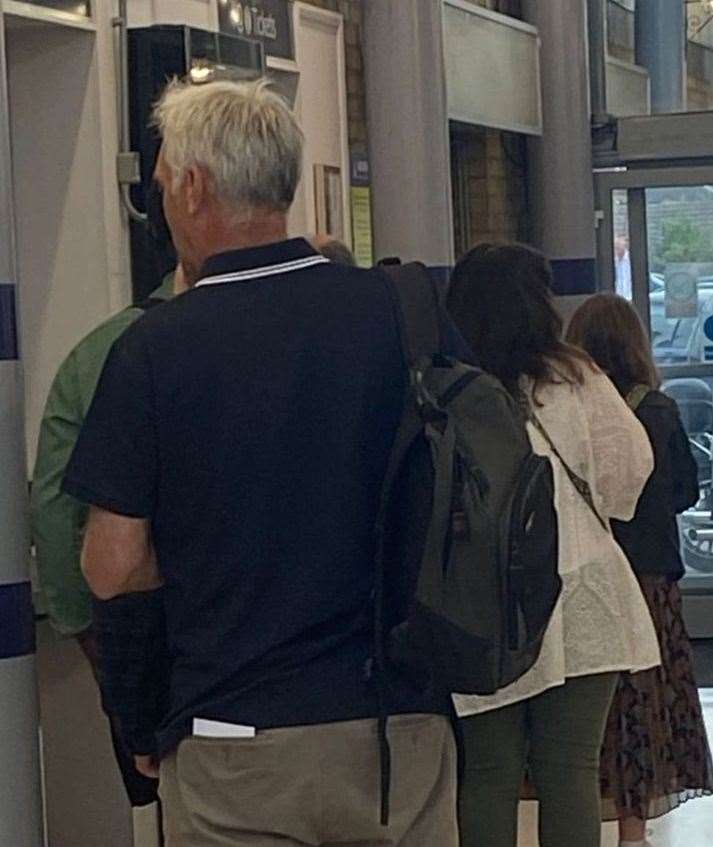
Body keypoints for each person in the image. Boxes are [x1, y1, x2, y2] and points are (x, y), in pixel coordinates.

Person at [62, 79, 460, 846]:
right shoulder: (402, 312)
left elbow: (112, 565)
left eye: (160, 187)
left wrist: (142, 708)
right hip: (400, 722)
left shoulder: (153, 349)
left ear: (193, 185)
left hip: (235, 735)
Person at [446, 243, 661, 847]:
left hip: (481, 599)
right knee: (570, 772)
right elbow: (630, 467)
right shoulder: (574, 377)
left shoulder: (446, 385)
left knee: (487, 774)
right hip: (583, 589)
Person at [31, 257, 185, 810]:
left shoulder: (98, 350)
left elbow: (52, 503)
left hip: (135, 634)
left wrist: (84, 629)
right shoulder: (266, 341)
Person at [567, 293, 713, 847]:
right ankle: (635, 827)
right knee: (650, 699)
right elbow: (682, 490)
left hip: (588, 574)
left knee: (596, 707)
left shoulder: (567, 412)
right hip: (650, 576)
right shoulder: (657, 409)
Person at [615, 235, 632, 300]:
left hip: (630, 296)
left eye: (618, 248)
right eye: (616, 248)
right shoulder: (614, 261)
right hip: (617, 297)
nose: (617, 251)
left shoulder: (630, 259)